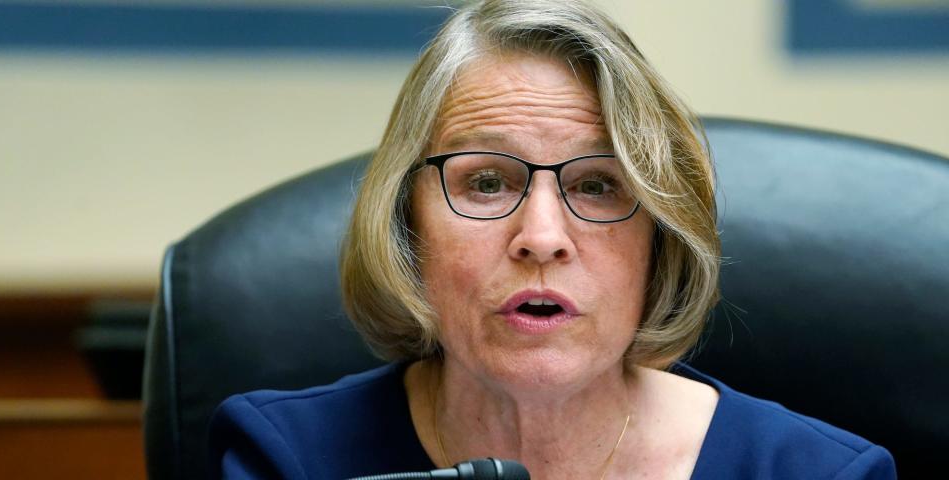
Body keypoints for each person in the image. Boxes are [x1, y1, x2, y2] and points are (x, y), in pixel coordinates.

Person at [208, 0, 896, 478]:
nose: (541, 237)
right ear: (405, 224)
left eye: (597, 185)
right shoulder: (289, 459)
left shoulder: (817, 472)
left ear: (661, 237)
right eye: (486, 182)